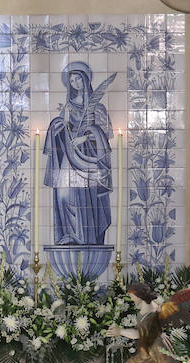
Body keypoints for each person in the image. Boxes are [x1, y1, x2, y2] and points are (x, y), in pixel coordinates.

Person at [44, 61, 115, 246]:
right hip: (70, 155)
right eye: (72, 80)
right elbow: (62, 128)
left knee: (85, 196)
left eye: (78, 79)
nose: (75, 83)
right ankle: (70, 234)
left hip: (89, 157)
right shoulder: (69, 106)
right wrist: (60, 123)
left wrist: (85, 137)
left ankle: (86, 236)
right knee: (63, 194)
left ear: (85, 79)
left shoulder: (97, 107)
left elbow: (106, 133)